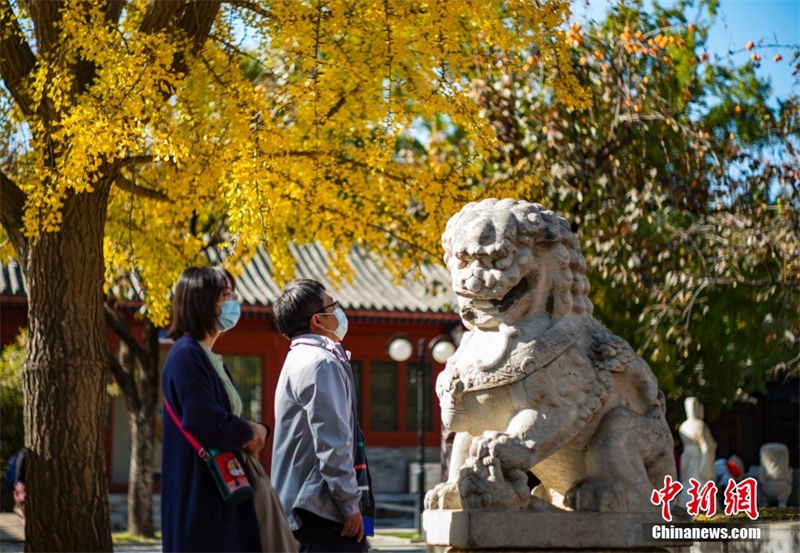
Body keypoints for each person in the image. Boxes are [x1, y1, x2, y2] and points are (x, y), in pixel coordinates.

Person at [161, 266, 267, 552]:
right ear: (201, 301)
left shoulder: (205, 356)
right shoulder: (185, 355)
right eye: (225, 295)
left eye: (233, 294)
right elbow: (204, 421)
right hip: (201, 495)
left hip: (221, 492)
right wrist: (251, 431)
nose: (233, 302)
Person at [271, 279, 374, 553]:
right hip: (321, 511)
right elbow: (333, 442)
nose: (340, 311)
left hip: (309, 508)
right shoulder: (320, 363)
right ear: (318, 320)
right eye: (334, 305)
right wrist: (350, 504)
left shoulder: (301, 358)